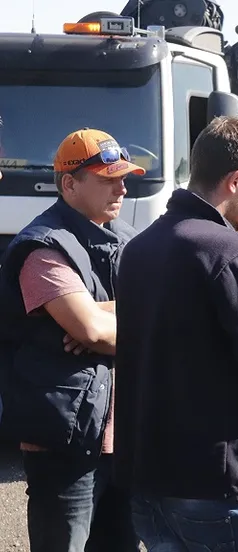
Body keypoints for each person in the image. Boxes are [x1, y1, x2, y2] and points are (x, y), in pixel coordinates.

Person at [113, 116, 238, 552]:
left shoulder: (139, 248)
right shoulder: (232, 251)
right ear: (237, 181)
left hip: (148, 481)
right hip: (219, 485)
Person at [0, 128, 143, 552]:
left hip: (124, 438)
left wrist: (100, 314)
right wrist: (103, 325)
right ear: (69, 184)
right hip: (66, 441)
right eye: (108, 178)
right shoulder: (42, 248)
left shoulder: (128, 241)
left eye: (124, 177)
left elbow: (167, 311)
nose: (122, 187)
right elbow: (93, 332)